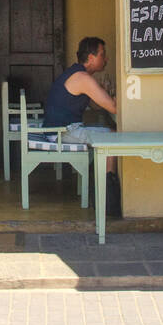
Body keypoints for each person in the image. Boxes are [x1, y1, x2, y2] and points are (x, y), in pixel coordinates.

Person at [44, 36, 120, 214]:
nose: (106, 59)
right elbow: (113, 107)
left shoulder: (76, 73)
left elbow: (95, 105)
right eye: (103, 54)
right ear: (91, 58)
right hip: (61, 132)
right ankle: (107, 196)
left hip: (58, 129)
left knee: (108, 132)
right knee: (112, 136)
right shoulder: (83, 78)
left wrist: (102, 92)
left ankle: (103, 187)